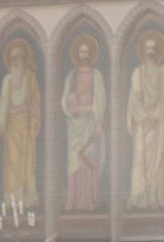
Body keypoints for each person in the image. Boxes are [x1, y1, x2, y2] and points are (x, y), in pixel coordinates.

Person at [126, 31, 164, 210]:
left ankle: (154, 197)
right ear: (143, 51)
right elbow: (134, 98)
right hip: (142, 124)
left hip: (158, 123)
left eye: (153, 48)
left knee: (157, 159)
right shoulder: (137, 73)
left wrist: (155, 116)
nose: (150, 51)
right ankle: (139, 197)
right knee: (140, 160)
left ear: (158, 50)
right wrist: (143, 117)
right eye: (147, 48)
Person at [61, 35, 106, 211]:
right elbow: (64, 100)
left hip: (90, 123)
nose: (84, 54)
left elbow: (101, 100)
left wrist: (98, 120)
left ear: (91, 54)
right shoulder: (71, 76)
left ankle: (89, 200)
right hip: (76, 125)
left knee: (88, 160)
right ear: (77, 54)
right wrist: (76, 95)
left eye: (87, 51)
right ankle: (74, 201)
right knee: (74, 161)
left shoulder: (97, 76)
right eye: (82, 51)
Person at [0, 39, 41, 208]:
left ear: (24, 60)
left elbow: (36, 101)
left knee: (27, 163)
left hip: (27, 126)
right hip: (12, 127)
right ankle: (13, 199)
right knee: (12, 163)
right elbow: (3, 103)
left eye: (19, 58)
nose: (16, 62)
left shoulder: (31, 78)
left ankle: (28, 197)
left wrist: (35, 119)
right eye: (13, 59)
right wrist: (0, 124)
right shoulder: (7, 80)